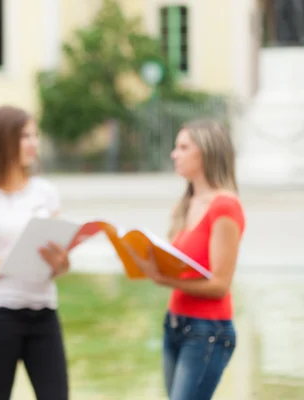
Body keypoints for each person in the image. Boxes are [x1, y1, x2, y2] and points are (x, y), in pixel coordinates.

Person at [124, 120, 245, 400]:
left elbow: (220, 286)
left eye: (183, 147)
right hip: (175, 324)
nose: (173, 154)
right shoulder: (185, 203)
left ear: (205, 153)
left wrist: (163, 278)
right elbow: (183, 266)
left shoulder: (224, 206)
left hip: (207, 331)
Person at [0, 105, 70, 400]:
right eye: (25, 136)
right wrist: (14, 263)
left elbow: (59, 264)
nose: (33, 143)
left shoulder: (45, 192)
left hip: (44, 314)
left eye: (35, 136)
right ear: (2, 139)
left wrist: (60, 263)